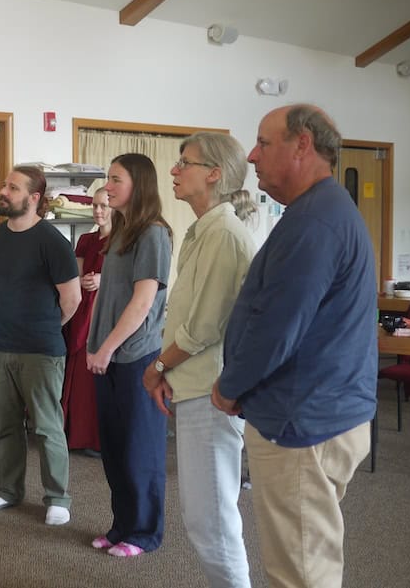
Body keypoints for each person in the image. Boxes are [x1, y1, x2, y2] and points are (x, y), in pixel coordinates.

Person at [213, 105, 377, 588]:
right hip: (316, 412)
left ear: (302, 144)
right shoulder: (317, 211)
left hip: (303, 420)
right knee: (306, 556)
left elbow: (278, 326)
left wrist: (230, 385)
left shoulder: (317, 222)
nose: (252, 154)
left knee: (302, 570)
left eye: (264, 142)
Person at [141, 133, 257, 586]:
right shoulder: (203, 229)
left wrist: (158, 367)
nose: (174, 170)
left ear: (214, 173)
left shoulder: (223, 233)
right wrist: (171, 369)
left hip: (213, 394)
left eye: (183, 162)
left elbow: (202, 329)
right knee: (204, 517)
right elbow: (189, 319)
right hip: (197, 387)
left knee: (211, 522)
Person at [0, 166, 81, 526]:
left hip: (41, 349)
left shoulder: (53, 242)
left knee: (47, 426)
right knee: (5, 425)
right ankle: (9, 491)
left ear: (34, 198)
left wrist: (45, 328)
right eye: (4, 184)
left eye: (13, 187)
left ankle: (57, 497)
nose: (4, 191)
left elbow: (72, 300)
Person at [86, 153, 172, 557]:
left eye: (116, 179)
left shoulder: (153, 233)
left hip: (135, 356)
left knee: (142, 449)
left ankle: (145, 533)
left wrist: (106, 347)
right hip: (109, 356)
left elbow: (141, 303)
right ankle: (122, 526)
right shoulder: (120, 230)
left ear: (138, 183)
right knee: (116, 448)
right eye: (108, 178)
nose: (108, 186)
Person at [61, 187, 110, 453]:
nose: (99, 211)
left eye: (104, 205)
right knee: (79, 369)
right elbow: (76, 275)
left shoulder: (123, 239)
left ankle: (98, 437)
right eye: (95, 206)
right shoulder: (86, 240)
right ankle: (76, 433)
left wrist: (104, 280)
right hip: (83, 307)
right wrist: (84, 280)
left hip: (105, 309)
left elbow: (129, 279)